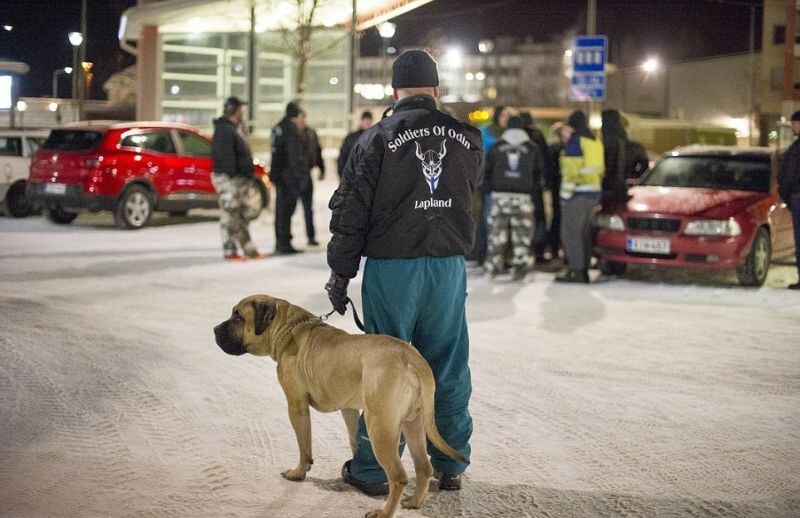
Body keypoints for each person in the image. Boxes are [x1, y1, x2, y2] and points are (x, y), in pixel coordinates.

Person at [325, 49, 482, 495]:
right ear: (435, 89)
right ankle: (450, 462)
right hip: (447, 269)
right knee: (448, 362)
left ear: (395, 92)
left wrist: (340, 274)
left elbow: (351, 211)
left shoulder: (375, 139)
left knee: (383, 370)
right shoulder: (467, 137)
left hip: (393, 269)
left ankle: (375, 471)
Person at [483, 115, 544, 280]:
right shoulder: (532, 148)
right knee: (522, 237)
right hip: (523, 197)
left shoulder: (496, 146)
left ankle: (492, 268)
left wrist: (490, 190)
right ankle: (520, 270)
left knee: (496, 235)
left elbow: (486, 171)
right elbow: (539, 174)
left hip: (499, 197)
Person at [210, 96, 265, 261]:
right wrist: (234, 175)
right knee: (230, 214)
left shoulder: (236, 128)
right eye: (241, 109)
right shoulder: (224, 130)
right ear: (234, 110)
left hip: (240, 179)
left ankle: (248, 249)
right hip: (230, 179)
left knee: (241, 215)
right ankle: (230, 250)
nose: (243, 112)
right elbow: (225, 157)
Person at [556, 110, 604, 284]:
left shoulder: (576, 142)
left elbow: (571, 174)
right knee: (584, 234)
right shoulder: (594, 141)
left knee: (571, 234)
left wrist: (564, 197)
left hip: (577, 195)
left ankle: (578, 271)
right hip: (593, 194)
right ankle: (583, 267)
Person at [472, 105, 510, 266]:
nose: (505, 119)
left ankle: (500, 256)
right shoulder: (488, 132)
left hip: (504, 183)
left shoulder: (510, 134)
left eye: (507, 116)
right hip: (488, 181)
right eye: (503, 115)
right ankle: (484, 254)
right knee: (488, 219)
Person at [270, 102, 309, 255]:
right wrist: (300, 177)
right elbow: (295, 157)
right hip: (288, 177)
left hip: (279, 175)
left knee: (280, 211)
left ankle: (280, 241)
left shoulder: (278, 127)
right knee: (286, 211)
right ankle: (284, 243)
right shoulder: (291, 131)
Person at [600, 109, 649, 210]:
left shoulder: (600, 145)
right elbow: (645, 165)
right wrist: (633, 175)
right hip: (624, 189)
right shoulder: (633, 146)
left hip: (603, 189)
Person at [519, 111, 549, 262]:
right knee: (538, 218)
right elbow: (544, 160)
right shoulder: (537, 135)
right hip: (535, 185)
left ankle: (522, 253)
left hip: (519, 186)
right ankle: (539, 252)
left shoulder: (515, 138)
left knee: (521, 219)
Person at [778, 110, 800, 290]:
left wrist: (786, 196)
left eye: (794, 123)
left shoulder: (796, 148)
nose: (793, 127)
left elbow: (788, 175)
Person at [297, 110, 324, 246]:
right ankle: (285, 239)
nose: (302, 121)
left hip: (307, 174)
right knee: (290, 209)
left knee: (308, 208)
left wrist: (321, 167)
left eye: (303, 118)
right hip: (295, 175)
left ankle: (311, 236)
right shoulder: (293, 134)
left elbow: (318, 150)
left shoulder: (310, 133)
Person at [337, 111, 373, 179]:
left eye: (369, 122)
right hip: (352, 176)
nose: (367, 123)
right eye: (366, 121)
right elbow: (343, 157)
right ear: (361, 121)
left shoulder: (374, 138)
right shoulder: (351, 138)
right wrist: (342, 176)